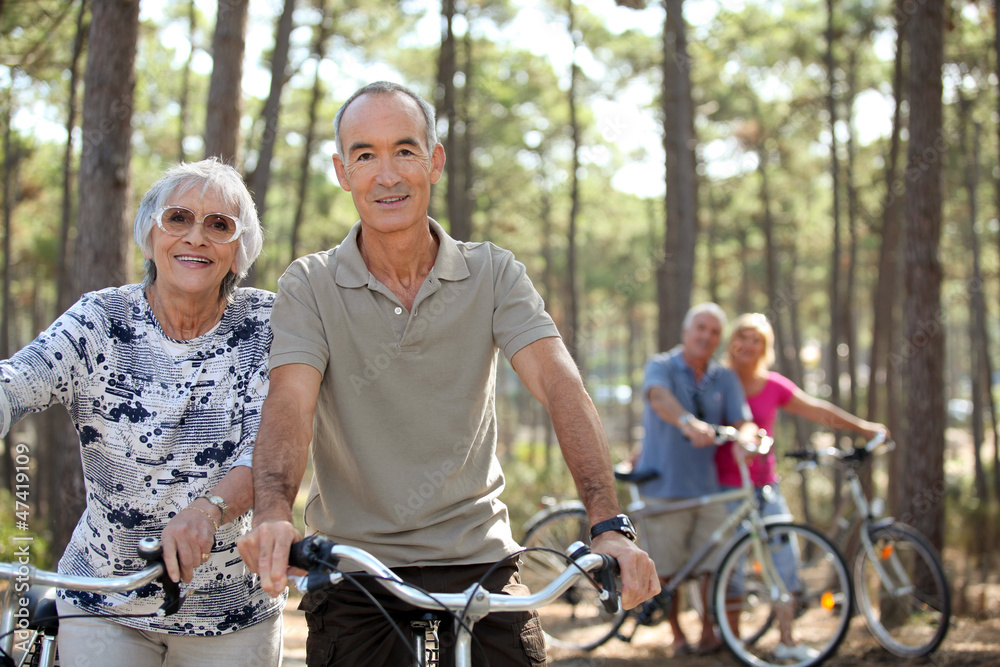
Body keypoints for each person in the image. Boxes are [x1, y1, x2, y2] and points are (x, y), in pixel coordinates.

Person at [236, 80, 659, 666]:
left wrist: (608, 522)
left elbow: (561, 388)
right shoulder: (309, 284)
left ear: (434, 162)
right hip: (354, 565)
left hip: (479, 558)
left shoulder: (494, 274)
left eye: (404, 151)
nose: (387, 175)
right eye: (365, 155)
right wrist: (275, 514)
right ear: (342, 171)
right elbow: (290, 404)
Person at [0, 158, 283, 666]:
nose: (196, 237)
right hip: (104, 599)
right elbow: (15, 383)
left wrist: (206, 511)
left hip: (232, 614)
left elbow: (267, 448)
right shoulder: (100, 320)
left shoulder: (265, 324)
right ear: (150, 233)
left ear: (239, 254)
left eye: (219, 225)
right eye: (178, 218)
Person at [717, 311, 888, 661]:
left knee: (785, 561)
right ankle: (728, 640)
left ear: (766, 348)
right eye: (744, 336)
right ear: (732, 340)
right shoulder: (717, 382)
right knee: (728, 568)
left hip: (765, 486)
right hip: (723, 488)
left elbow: (819, 411)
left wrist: (863, 427)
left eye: (757, 340)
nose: (749, 344)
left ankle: (786, 640)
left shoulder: (774, 385)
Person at [630, 302, 754, 656]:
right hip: (665, 486)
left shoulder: (724, 377)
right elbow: (658, 398)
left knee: (715, 565)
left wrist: (747, 438)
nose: (706, 336)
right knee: (667, 570)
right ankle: (676, 634)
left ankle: (708, 632)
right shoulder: (662, 366)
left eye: (714, 331)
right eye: (701, 328)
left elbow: (741, 419)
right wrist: (688, 422)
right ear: (686, 332)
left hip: (709, 488)